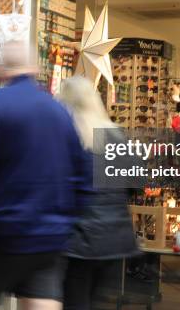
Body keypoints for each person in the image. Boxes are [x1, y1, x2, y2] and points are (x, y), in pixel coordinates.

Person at [0, 42, 92, 310]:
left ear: (2, 70)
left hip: (0, 233)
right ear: (36, 68)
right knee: (42, 300)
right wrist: (68, 220)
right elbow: (84, 173)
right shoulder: (59, 111)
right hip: (49, 237)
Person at [57, 76, 139, 309]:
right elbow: (135, 183)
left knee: (75, 300)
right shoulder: (116, 136)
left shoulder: (72, 137)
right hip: (115, 240)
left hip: (80, 242)